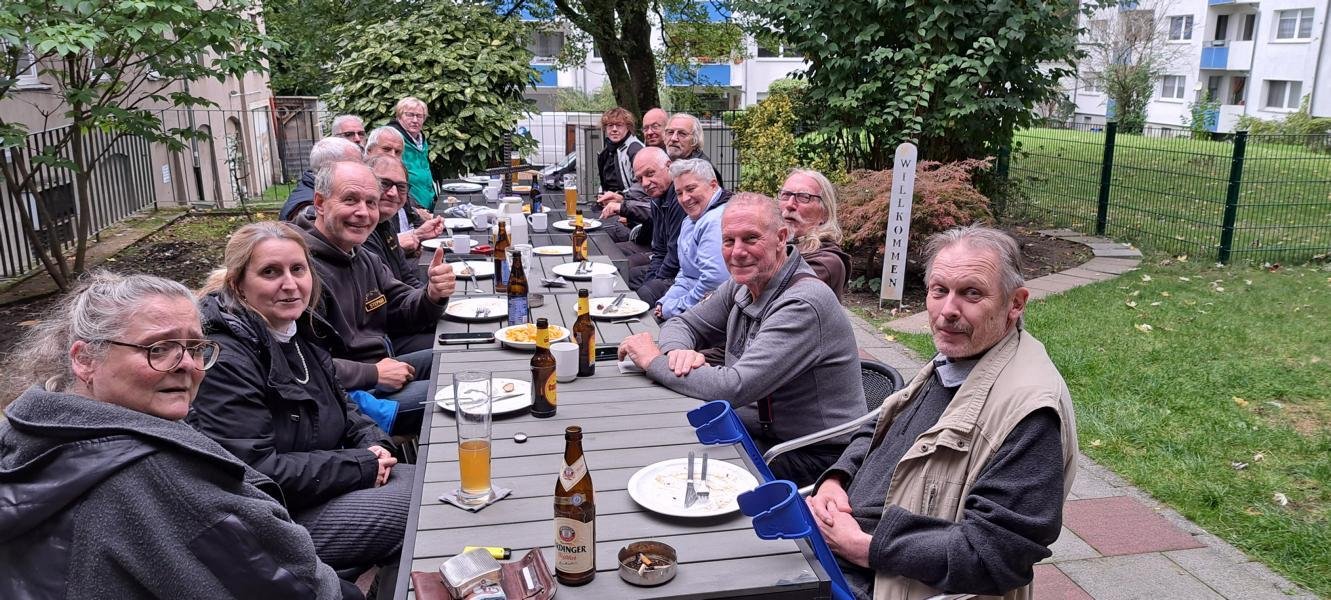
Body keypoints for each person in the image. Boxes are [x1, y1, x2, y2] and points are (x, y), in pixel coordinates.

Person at [0, 271, 359, 600]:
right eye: (158, 348)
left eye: (196, 348)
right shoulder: (157, 475)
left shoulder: (28, 434)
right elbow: (297, 588)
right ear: (85, 359)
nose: (187, 364)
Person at [806, 226, 1079, 600]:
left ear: (1015, 303)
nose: (948, 311)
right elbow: (883, 426)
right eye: (939, 291)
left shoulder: (1030, 412)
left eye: (971, 293)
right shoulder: (960, 359)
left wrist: (867, 548)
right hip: (840, 551)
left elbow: (1000, 553)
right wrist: (837, 479)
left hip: (877, 584)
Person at [190, 221, 413, 575]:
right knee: (423, 505)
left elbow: (344, 405)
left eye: (298, 269)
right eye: (270, 272)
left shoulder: (296, 330)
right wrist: (360, 465)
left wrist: (374, 444)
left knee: (433, 482)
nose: (290, 284)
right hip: (272, 521)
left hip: (321, 485)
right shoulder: (227, 360)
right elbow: (255, 471)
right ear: (238, 284)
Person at [618, 194, 865, 486]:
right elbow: (683, 323)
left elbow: (734, 387)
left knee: (680, 473)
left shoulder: (803, 303)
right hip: (754, 430)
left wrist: (653, 361)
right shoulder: (744, 284)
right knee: (651, 440)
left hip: (808, 455)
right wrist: (675, 353)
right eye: (728, 241)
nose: (737, 252)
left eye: (750, 238)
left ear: (780, 238)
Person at [294, 161, 456, 436]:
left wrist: (432, 294)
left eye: (371, 202)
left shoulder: (361, 255)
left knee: (463, 360)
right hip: (346, 399)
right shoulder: (299, 269)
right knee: (463, 392)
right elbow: (303, 364)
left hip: (381, 367)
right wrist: (373, 374)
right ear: (320, 203)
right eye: (350, 200)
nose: (363, 212)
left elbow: (402, 307)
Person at [655, 159, 732, 320]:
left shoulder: (716, 220)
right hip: (697, 304)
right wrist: (667, 301)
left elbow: (714, 282)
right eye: (679, 193)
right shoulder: (691, 219)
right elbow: (687, 273)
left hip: (721, 312)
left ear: (713, 185)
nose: (685, 198)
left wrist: (674, 308)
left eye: (691, 189)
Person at [363, 154, 442, 287]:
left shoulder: (385, 224)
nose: (393, 193)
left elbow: (405, 279)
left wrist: (432, 294)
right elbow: (388, 291)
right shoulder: (359, 230)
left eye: (401, 187)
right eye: (384, 184)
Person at [780, 169, 852, 300]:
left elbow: (773, 297)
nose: (790, 205)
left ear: (825, 213)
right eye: (786, 194)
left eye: (804, 197)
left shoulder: (825, 263)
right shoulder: (777, 245)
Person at [625, 147, 683, 305]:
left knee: (645, 291)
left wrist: (653, 283)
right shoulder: (657, 199)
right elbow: (659, 251)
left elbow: (674, 257)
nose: (645, 183)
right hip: (669, 263)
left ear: (669, 166)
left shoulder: (681, 197)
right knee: (625, 273)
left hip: (684, 274)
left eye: (650, 174)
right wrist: (650, 279)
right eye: (639, 179)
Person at [280, 136, 363, 221]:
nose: (363, 170)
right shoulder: (308, 213)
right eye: (355, 165)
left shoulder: (320, 189)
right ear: (328, 169)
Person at [387, 96, 438, 211]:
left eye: (419, 116)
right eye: (410, 115)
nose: (415, 120)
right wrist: (414, 208)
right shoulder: (393, 139)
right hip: (409, 208)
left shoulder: (421, 139)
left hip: (427, 204)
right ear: (399, 116)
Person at [663, 113, 722, 187]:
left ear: (695, 140)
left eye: (682, 134)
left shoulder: (701, 170)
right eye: (670, 132)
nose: (673, 138)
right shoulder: (663, 160)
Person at [596, 106, 644, 195]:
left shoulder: (635, 149)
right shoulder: (606, 152)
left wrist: (621, 196)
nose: (614, 129)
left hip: (630, 201)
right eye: (610, 125)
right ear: (605, 128)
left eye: (619, 125)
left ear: (628, 127)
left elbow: (642, 186)